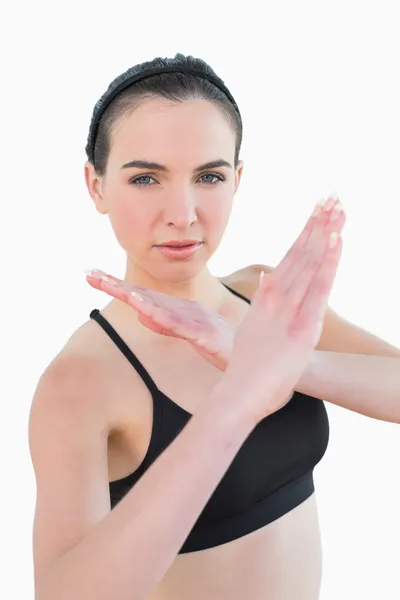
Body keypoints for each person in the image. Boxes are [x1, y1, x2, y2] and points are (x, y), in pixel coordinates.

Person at [28, 53, 398, 600]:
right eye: (146, 178)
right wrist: (239, 398)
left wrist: (293, 365)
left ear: (237, 180)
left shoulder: (261, 294)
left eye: (208, 176)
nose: (183, 212)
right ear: (96, 185)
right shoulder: (80, 380)